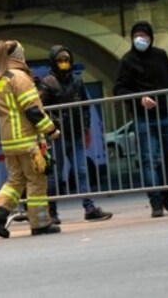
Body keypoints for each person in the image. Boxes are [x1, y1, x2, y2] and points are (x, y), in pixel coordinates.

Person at [0, 40, 62, 238]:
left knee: (15, 180)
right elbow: (32, 109)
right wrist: (51, 130)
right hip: (27, 139)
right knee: (36, 180)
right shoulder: (20, 78)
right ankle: (40, 223)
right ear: (18, 55)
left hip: (9, 141)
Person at [113, 21, 168, 218]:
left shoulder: (160, 55)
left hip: (164, 114)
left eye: (144, 35)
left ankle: (166, 192)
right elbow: (119, 88)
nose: (140, 39)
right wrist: (140, 99)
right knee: (149, 159)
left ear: (151, 37)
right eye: (137, 35)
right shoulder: (127, 61)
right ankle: (155, 201)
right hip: (143, 118)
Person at [37, 45, 112, 223]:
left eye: (66, 60)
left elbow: (85, 105)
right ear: (53, 62)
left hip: (76, 133)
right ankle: (52, 212)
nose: (64, 63)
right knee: (55, 175)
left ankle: (89, 207)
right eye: (60, 60)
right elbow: (42, 108)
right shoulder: (47, 83)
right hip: (57, 135)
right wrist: (50, 129)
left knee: (81, 171)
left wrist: (85, 127)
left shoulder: (77, 81)